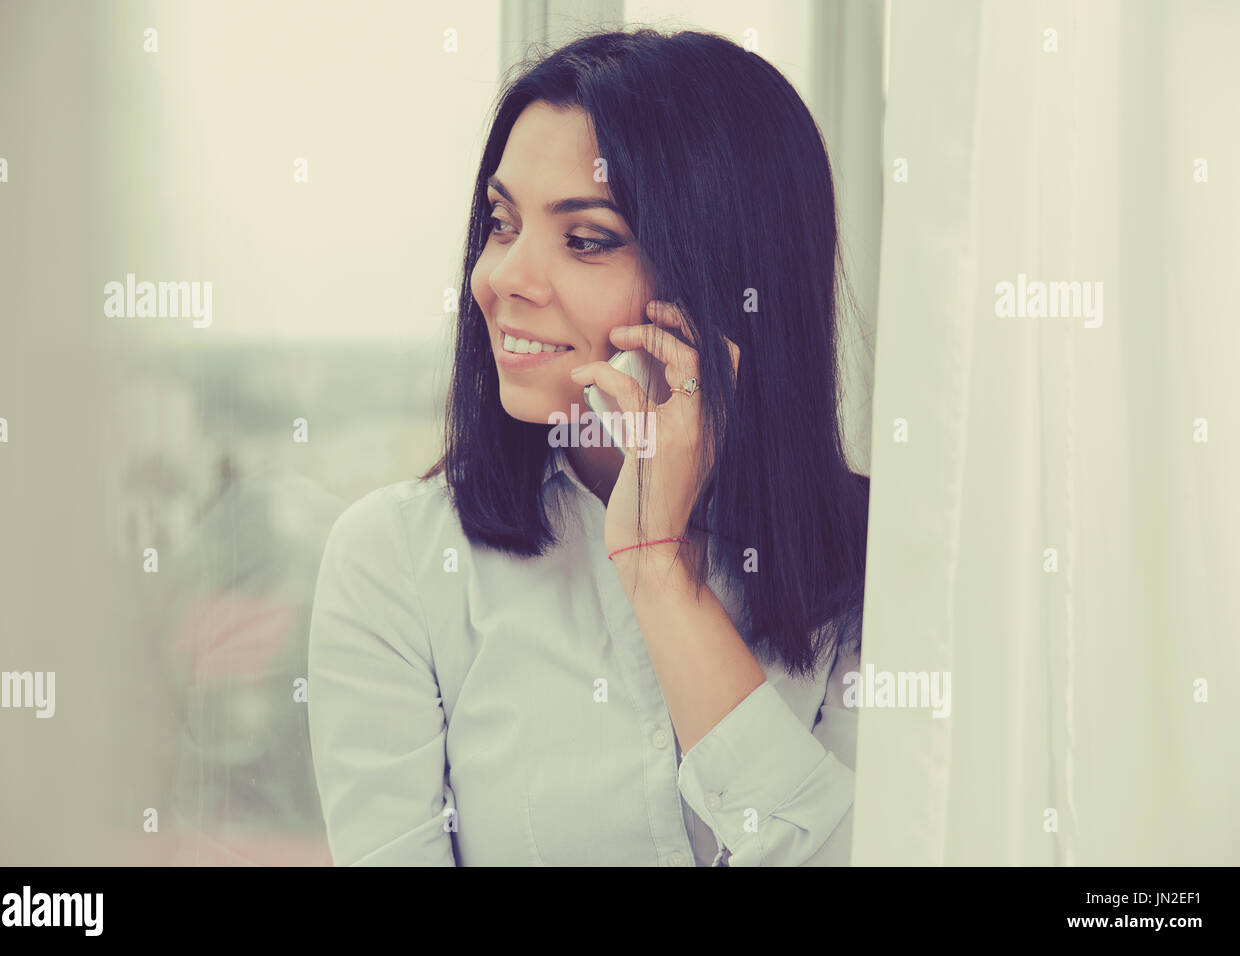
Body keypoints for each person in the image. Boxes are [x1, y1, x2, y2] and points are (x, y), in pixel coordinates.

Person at [308, 27, 870, 866]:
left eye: (587, 238)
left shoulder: (874, 560)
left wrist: (658, 574)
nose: (500, 278)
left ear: (724, 275)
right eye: (501, 223)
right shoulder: (397, 561)